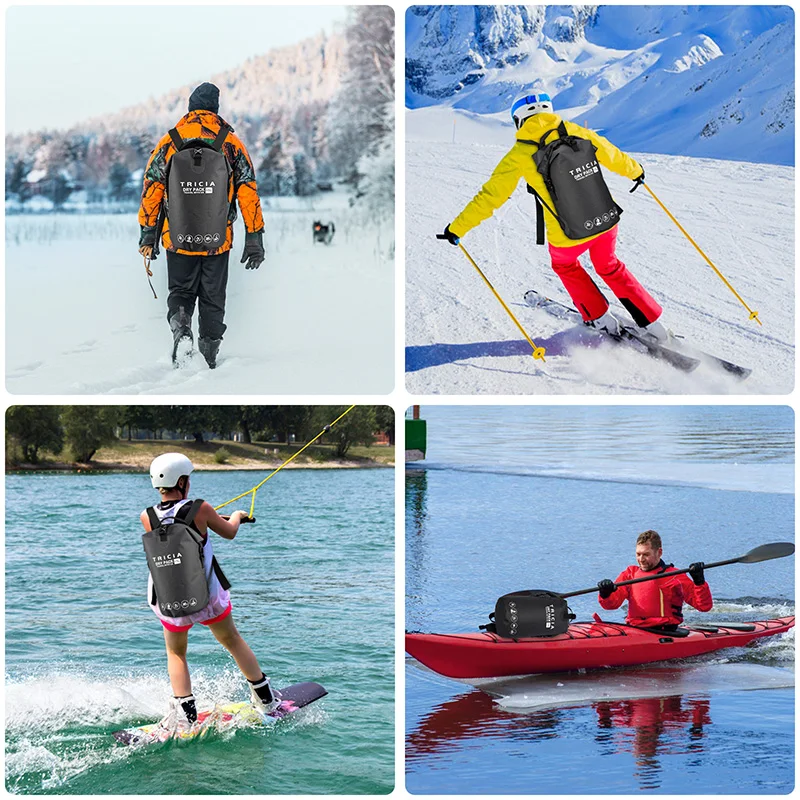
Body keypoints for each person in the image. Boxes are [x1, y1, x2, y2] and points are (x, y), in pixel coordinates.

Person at [440, 91, 668, 342]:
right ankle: (654, 323)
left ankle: (601, 318)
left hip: (567, 234)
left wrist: (457, 228)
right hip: (605, 220)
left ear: (519, 121)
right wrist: (636, 172)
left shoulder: (520, 154)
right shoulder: (577, 131)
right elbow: (611, 154)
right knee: (609, 265)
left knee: (565, 265)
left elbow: (490, 197)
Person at [141, 452, 278, 733]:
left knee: (176, 653)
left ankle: (186, 717)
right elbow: (229, 532)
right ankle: (265, 699)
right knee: (232, 640)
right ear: (183, 482)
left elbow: (175, 526)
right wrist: (237, 516)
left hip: (170, 599)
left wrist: (208, 518)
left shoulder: (147, 516)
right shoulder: (201, 508)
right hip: (207, 598)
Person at [137, 82, 266, 369]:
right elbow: (248, 192)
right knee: (213, 297)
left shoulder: (170, 141)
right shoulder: (230, 143)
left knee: (180, 291)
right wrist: (254, 236)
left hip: (176, 237)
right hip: (218, 239)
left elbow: (152, 188)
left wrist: (148, 233)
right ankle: (209, 354)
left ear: (190, 108)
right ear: (216, 109)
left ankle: (182, 329)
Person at [597, 529, 713, 629]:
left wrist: (699, 582)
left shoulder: (674, 576)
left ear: (659, 552)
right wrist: (605, 594)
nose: (641, 559)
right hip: (635, 629)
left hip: (665, 631)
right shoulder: (629, 574)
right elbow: (610, 605)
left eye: (646, 554)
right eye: (638, 554)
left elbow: (703, 606)